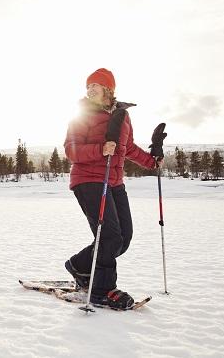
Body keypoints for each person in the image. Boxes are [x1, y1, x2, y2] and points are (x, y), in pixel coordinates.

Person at [63, 68, 161, 310]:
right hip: (88, 180)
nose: (90, 89)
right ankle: (101, 290)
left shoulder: (122, 115)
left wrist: (152, 161)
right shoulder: (82, 115)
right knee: (109, 236)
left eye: (95, 85)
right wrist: (100, 150)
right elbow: (71, 150)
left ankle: (79, 265)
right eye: (88, 86)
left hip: (114, 181)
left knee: (123, 239)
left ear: (109, 88)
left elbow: (127, 147)